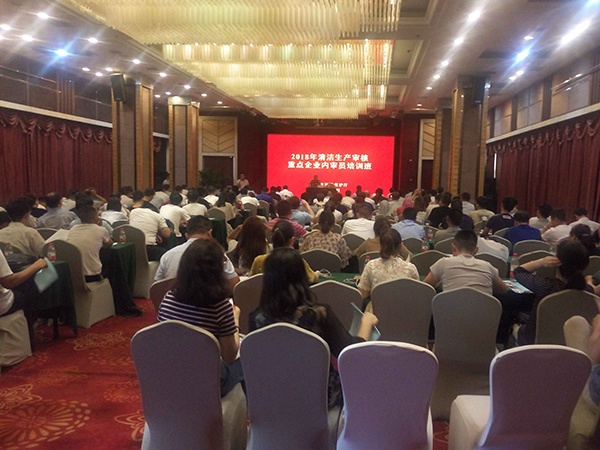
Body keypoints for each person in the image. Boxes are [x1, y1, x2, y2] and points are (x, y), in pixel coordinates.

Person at [249, 247, 378, 408]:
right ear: (302, 278)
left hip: (273, 396)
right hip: (318, 398)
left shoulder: (256, 319)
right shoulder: (318, 315)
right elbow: (351, 354)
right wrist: (366, 323)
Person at [157, 238, 243, 397]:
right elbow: (229, 356)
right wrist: (235, 319)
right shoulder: (220, 307)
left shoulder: (168, 298)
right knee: (250, 358)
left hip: (172, 373)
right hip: (208, 380)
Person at [514, 240, 593, 346]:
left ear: (556, 261)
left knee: (517, 323)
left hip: (535, 344)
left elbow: (518, 272)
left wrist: (542, 262)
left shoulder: (545, 286)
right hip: (571, 345)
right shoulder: (588, 292)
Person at [155, 216, 240, 292]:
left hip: (174, 301)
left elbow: (157, 287)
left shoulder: (167, 255)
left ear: (186, 235)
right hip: (208, 302)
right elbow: (234, 285)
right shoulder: (217, 252)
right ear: (210, 233)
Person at [424, 230, 508, 295]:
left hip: (449, 311)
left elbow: (426, 287)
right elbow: (503, 290)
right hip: (483, 312)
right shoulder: (488, 266)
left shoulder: (443, 263)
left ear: (453, 248)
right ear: (476, 251)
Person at [357, 229, 419, 301]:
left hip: (377, 307)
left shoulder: (371, 266)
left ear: (381, 245)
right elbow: (416, 294)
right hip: (403, 307)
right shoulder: (410, 268)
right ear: (400, 246)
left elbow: (361, 295)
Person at [250, 219, 319, 282]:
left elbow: (250, 283)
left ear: (272, 238)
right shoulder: (297, 261)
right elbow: (313, 278)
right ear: (292, 240)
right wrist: (317, 273)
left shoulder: (258, 261)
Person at [67, 205, 113, 281]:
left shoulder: (73, 229)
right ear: (95, 217)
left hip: (74, 273)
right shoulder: (101, 230)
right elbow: (109, 244)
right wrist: (98, 226)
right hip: (93, 274)